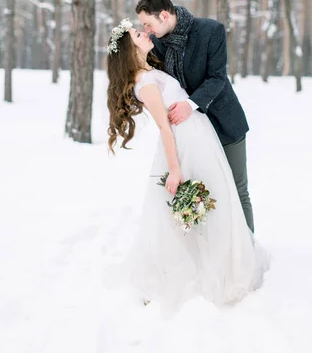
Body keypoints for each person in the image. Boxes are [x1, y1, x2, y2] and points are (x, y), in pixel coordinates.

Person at [106, 18, 268, 312]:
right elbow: (165, 129)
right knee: (206, 199)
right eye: (138, 34)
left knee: (221, 195)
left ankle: (225, 257)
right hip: (186, 143)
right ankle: (203, 268)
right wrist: (176, 169)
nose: (144, 34)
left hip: (198, 136)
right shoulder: (146, 83)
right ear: (131, 48)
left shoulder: (150, 71)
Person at [136, 0, 254, 232]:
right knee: (206, 189)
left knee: (237, 187)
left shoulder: (211, 31)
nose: (147, 29)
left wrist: (190, 105)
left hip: (223, 123)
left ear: (165, 15)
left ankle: (247, 249)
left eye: (148, 23)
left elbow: (217, 78)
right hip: (191, 134)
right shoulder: (157, 42)